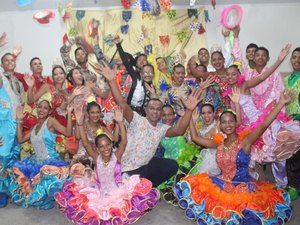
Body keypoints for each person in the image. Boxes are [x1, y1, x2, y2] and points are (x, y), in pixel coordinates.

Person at [175, 91, 293, 224]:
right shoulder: (218, 144)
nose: (228, 125)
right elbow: (196, 138)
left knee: (246, 214)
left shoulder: (246, 141)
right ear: (220, 125)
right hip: (220, 184)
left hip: (243, 188)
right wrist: (189, 112)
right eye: (224, 122)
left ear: (236, 122)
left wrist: (281, 103)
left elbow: (264, 125)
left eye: (231, 121)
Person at [95, 62, 205, 187]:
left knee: (172, 165)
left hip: (146, 166)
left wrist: (189, 110)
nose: (155, 111)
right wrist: (111, 81)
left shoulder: (161, 128)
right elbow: (122, 103)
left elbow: (179, 131)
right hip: (129, 169)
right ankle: (140, 189)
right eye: (152, 108)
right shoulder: (136, 119)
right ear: (146, 110)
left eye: (158, 109)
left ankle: (148, 188)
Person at [55, 104, 159, 225]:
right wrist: (79, 124)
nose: (106, 148)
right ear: (98, 149)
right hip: (100, 193)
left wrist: (120, 122)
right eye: (102, 146)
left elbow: (124, 142)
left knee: (117, 213)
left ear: (111, 145)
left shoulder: (117, 156)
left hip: (117, 193)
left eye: (108, 145)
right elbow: (85, 143)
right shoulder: (96, 158)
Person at [8, 99, 73, 209]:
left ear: (49, 111)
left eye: (45, 108)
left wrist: (70, 113)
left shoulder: (50, 121)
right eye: (39, 107)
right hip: (36, 162)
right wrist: (19, 120)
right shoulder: (34, 127)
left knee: (44, 188)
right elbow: (20, 139)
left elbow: (68, 133)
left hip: (50, 163)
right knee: (18, 173)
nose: (41, 110)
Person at [157, 105, 201, 205]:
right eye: (164, 115)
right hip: (168, 162)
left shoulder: (179, 124)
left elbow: (186, 118)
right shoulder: (158, 130)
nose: (167, 118)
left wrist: (186, 114)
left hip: (183, 161)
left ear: (173, 116)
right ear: (160, 116)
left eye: (169, 115)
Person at [0, 53, 24, 207]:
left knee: (15, 155)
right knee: (3, 156)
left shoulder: (18, 83)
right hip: (4, 122)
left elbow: (21, 102)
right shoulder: (2, 78)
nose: (10, 62)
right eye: (6, 60)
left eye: (12, 60)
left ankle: (12, 189)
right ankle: (1, 191)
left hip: (16, 122)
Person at [73, 100, 119, 166]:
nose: (95, 115)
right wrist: (78, 122)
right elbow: (77, 137)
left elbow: (115, 139)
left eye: (97, 112)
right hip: (82, 160)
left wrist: (117, 123)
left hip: (97, 160)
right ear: (88, 113)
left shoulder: (102, 128)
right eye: (92, 112)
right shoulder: (82, 125)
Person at [284, 47, 300, 200]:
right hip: (290, 122)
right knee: (292, 154)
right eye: (294, 57)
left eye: (299, 57)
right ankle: (293, 185)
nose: (297, 60)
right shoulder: (286, 80)